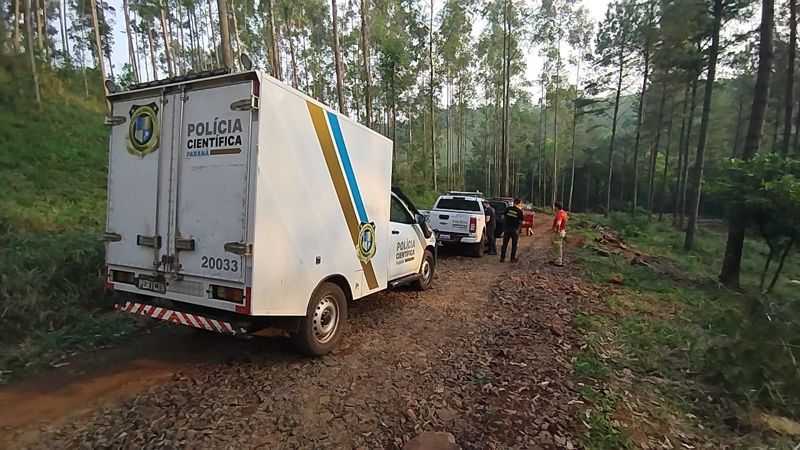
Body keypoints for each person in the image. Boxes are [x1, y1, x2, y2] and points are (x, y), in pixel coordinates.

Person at [500, 198, 524, 263]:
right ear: (519, 203)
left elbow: (502, 217)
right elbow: (522, 222)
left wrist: (506, 221)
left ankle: (502, 258)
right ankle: (512, 258)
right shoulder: (520, 211)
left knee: (504, 244)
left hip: (507, 229)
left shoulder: (508, 209)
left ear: (514, 202)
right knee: (514, 245)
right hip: (515, 230)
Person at [551, 201, 568, 267]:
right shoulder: (564, 213)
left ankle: (558, 261)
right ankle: (557, 259)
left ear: (557, 207)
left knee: (557, 247)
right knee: (558, 246)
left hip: (559, 232)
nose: (553, 208)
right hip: (562, 231)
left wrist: (557, 229)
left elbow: (558, 223)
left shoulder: (559, 214)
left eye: (554, 206)